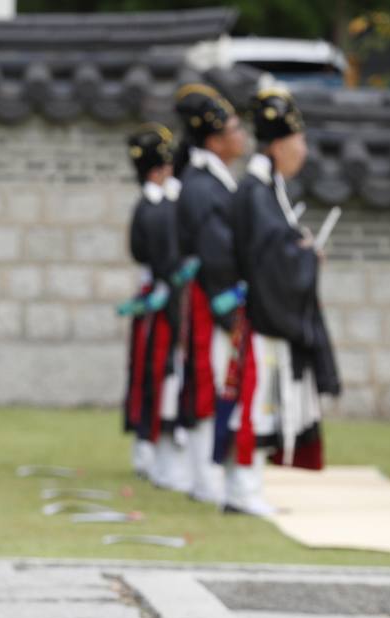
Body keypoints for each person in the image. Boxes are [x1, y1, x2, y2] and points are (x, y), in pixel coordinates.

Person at [222, 86, 340, 510]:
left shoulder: (265, 189)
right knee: (257, 402)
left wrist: (299, 249)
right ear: (279, 144)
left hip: (265, 313)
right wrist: (303, 257)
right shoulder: (256, 192)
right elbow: (270, 258)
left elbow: (277, 246)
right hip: (263, 315)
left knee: (261, 403)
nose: (303, 151)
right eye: (299, 141)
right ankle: (243, 490)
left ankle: (246, 488)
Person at [174, 83, 248, 507]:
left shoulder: (210, 180)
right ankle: (206, 478)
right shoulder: (203, 185)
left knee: (219, 380)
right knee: (210, 381)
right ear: (216, 139)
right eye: (235, 129)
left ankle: (210, 473)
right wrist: (229, 297)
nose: (242, 136)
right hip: (212, 295)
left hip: (216, 291)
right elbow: (216, 248)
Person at [120, 124, 184, 484]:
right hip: (161, 298)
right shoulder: (154, 209)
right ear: (158, 170)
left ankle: (155, 442)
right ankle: (150, 443)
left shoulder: (159, 205)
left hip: (163, 296)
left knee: (161, 371)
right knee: (155, 371)